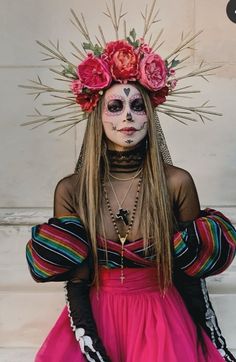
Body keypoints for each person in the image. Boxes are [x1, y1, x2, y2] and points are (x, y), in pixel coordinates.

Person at [24, 2, 236, 361]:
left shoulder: (176, 183)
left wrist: (213, 341)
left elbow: (190, 277)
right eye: (115, 107)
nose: (128, 118)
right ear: (97, 115)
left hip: (162, 321)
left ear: (150, 115)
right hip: (97, 320)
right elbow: (77, 282)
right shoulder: (72, 189)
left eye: (138, 106)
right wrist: (90, 344)